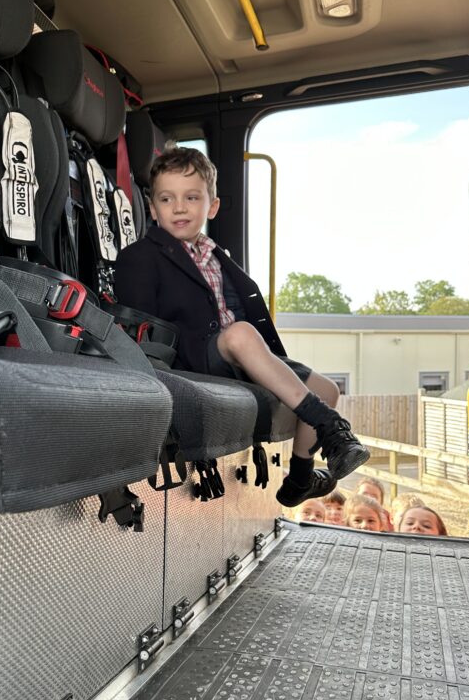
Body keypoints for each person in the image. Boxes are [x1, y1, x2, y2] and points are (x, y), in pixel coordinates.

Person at [114, 145, 369, 507]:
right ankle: (328, 426)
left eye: (191, 197)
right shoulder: (140, 257)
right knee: (241, 334)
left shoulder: (217, 256)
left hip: (239, 353)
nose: (180, 207)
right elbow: (139, 328)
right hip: (189, 354)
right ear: (153, 207)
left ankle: (300, 478)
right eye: (167, 199)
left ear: (211, 206)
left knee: (326, 388)